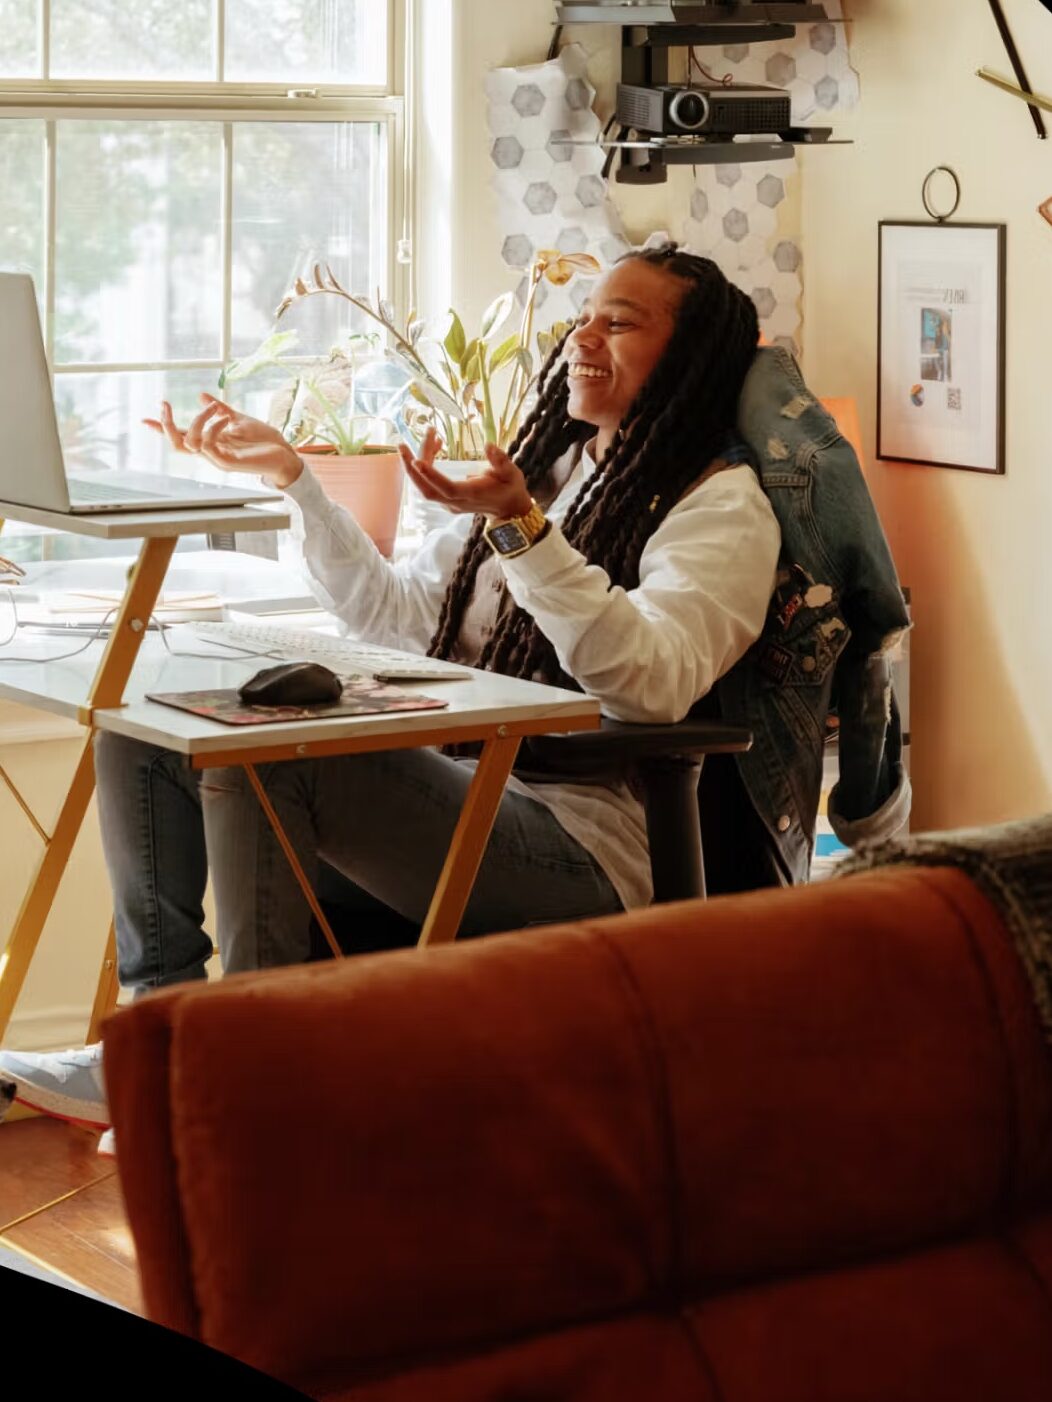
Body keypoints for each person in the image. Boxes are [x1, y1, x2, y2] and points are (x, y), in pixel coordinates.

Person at [0, 244, 781, 1134]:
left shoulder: (721, 505)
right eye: (584, 317)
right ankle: (153, 1042)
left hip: (576, 847)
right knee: (145, 723)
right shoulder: (549, 470)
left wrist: (524, 530)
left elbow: (653, 682)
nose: (583, 338)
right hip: (464, 790)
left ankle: (254, 1083)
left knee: (273, 760)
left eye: (620, 321)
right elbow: (395, 615)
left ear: (689, 354)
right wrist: (295, 480)